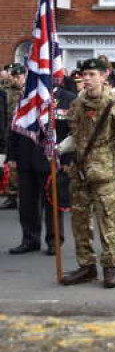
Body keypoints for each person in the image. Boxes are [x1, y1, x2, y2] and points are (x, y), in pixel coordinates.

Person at [58, 58, 115, 289]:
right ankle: (86, 267)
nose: (87, 78)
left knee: (107, 224)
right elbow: (75, 134)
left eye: (93, 74)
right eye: (85, 74)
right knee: (80, 223)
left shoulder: (114, 107)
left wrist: (109, 157)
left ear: (104, 77)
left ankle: (109, 267)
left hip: (104, 177)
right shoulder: (76, 104)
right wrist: (62, 148)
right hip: (80, 173)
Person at [7, 77, 74, 255]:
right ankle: (30, 239)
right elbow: (14, 128)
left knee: (52, 202)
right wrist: (12, 156)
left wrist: (67, 160)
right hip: (26, 157)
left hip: (52, 158)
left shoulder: (68, 98)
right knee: (27, 204)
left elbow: (73, 132)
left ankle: (54, 240)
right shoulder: (26, 97)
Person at [0, 63, 27, 210]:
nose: (15, 80)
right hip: (9, 131)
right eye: (13, 77)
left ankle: (27, 196)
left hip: (25, 133)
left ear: (24, 76)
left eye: (18, 77)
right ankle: (11, 196)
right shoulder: (6, 91)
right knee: (10, 165)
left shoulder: (30, 91)